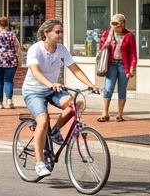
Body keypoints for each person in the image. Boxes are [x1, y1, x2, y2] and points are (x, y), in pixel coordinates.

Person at [22, 18, 99, 180]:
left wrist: (90, 85)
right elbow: (35, 71)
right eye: (57, 32)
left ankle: (56, 130)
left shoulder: (62, 50)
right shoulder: (35, 49)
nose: (60, 35)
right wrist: (50, 83)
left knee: (76, 103)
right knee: (43, 120)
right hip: (33, 91)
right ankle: (39, 163)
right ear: (46, 34)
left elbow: (75, 69)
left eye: (61, 32)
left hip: (53, 89)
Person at [97, 13, 137, 122]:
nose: (113, 25)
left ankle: (120, 114)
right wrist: (108, 41)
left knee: (122, 89)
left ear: (123, 24)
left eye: (116, 23)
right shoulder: (107, 34)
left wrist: (132, 67)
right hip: (111, 64)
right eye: (112, 23)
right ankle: (105, 113)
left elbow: (133, 53)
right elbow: (101, 48)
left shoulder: (129, 36)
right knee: (108, 88)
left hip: (124, 65)